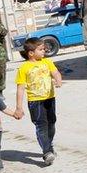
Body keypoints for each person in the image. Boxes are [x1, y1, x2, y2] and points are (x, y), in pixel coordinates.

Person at [15, 38, 62, 166]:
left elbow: (56, 73)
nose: (44, 51)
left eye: (44, 49)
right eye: (40, 49)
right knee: (41, 125)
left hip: (49, 99)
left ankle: (49, 144)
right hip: (35, 101)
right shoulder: (24, 67)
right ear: (31, 53)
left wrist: (58, 80)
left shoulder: (47, 62)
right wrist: (19, 107)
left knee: (51, 123)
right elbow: (20, 88)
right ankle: (47, 152)